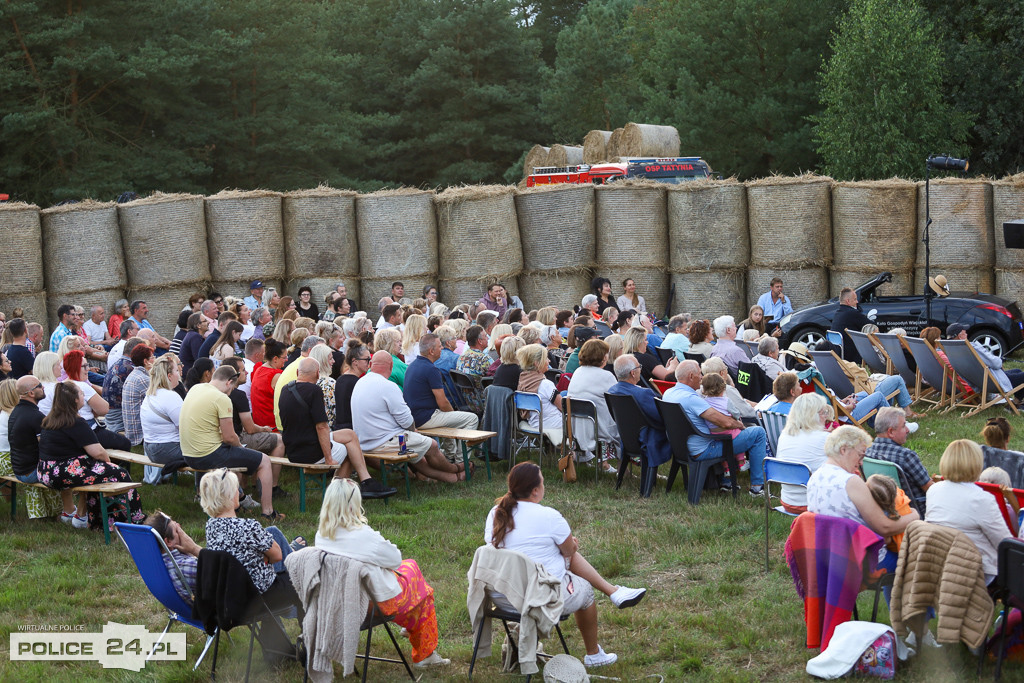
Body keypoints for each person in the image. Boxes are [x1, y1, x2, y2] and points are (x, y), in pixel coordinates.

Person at [485, 462, 646, 668]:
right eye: (543, 482)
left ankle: (614, 591)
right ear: (535, 490)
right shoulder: (549, 516)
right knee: (586, 590)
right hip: (537, 599)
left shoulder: (496, 514)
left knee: (558, 558)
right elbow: (570, 551)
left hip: (502, 598)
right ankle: (594, 653)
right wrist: (570, 548)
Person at [313, 478, 449, 667]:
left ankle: (412, 627)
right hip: (369, 605)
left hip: (337, 603)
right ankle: (425, 653)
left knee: (410, 571)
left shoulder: (322, 535)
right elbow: (394, 559)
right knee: (420, 587)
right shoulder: (363, 536)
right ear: (353, 505)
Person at [279, 358, 395, 498]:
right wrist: (328, 458)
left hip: (293, 450)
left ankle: (365, 480)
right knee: (348, 450)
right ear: (317, 373)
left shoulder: (286, 389)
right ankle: (336, 493)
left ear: (298, 372)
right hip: (310, 452)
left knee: (349, 435)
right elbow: (321, 427)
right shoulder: (314, 391)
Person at [806, 426, 918, 572]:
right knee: (919, 560)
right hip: (862, 561)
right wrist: (915, 515)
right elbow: (885, 527)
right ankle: (899, 594)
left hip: (830, 555)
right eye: (860, 455)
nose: (860, 462)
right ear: (844, 449)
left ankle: (892, 594)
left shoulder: (815, 477)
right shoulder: (850, 482)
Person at [36, 381, 144, 530]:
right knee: (120, 474)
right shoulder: (76, 421)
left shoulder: (50, 419)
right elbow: (98, 452)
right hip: (63, 472)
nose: (83, 396)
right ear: (75, 400)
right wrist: (109, 464)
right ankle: (135, 520)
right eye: (81, 393)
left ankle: (94, 520)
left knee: (98, 475)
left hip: (45, 472)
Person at [179, 366, 282, 520]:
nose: (232, 390)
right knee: (264, 460)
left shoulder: (196, 389)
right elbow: (229, 437)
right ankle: (268, 512)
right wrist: (242, 449)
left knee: (240, 456)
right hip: (208, 455)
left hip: (188, 454)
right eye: (233, 387)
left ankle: (238, 502)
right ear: (229, 382)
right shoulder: (222, 398)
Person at [350, 351, 469, 483]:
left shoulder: (360, 383)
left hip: (365, 442)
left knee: (418, 457)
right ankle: (455, 468)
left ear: (371, 364)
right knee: (432, 445)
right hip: (385, 442)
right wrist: (413, 430)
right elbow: (406, 419)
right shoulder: (387, 386)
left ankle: (452, 478)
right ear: (390, 366)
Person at [199, 469, 302, 611]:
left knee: (272, 532)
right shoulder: (248, 527)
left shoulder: (210, 527)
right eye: (236, 488)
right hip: (258, 597)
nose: (238, 492)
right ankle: (306, 629)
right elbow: (277, 557)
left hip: (231, 597)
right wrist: (265, 557)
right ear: (229, 495)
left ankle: (270, 631)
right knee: (300, 576)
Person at [664, 360, 767, 495]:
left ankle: (726, 481)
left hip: (680, 448)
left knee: (723, 434)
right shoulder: (691, 399)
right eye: (699, 374)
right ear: (690, 376)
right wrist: (740, 425)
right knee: (758, 432)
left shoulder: (668, 393)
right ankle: (757, 487)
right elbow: (725, 423)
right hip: (704, 449)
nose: (702, 377)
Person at [925, 439, 1009, 583]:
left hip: (938, 564)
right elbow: (1003, 543)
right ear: (977, 464)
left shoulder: (934, 490)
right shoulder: (982, 499)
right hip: (974, 571)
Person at [403, 334, 479, 462]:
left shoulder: (412, 366)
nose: (442, 348)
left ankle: (450, 455)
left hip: (414, 417)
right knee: (472, 418)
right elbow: (442, 402)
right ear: (431, 351)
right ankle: (462, 461)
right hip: (425, 417)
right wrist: (454, 416)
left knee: (448, 416)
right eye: (440, 346)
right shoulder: (431, 369)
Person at [4, 376, 63, 520]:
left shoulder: (15, 413)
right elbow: (48, 447)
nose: (43, 388)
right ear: (31, 393)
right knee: (71, 469)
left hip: (19, 469)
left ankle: (52, 513)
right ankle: (71, 513)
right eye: (40, 385)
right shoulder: (35, 416)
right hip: (31, 472)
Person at [775, 393, 832, 513]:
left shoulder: (785, 435)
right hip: (815, 503)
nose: (826, 417)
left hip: (788, 501)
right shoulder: (824, 438)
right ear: (811, 415)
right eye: (823, 412)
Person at [566, 339, 618, 463]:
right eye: (606, 353)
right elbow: (617, 400)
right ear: (602, 357)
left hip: (576, 428)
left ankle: (604, 465)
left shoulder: (578, 372)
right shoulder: (606, 376)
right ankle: (625, 471)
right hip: (598, 429)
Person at [946, 322, 1024, 402]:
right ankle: (1014, 405)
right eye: (965, 333)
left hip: (978, 382)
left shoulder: (951, 351)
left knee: (1017, 371)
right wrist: (998, 360)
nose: (967, 334)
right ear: (960, 336)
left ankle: (1016, 402)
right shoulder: (971, 347)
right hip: (992, 383)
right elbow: (996, 363)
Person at [139, 355, 187, 471]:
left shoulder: (151, 394)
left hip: (150, 449)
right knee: (209, 451)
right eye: (176, 370)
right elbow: (185, 428)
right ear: (169, 376)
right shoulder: (170, 396)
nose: (179, 374)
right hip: (167, 450)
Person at [516, 344, 563, 446]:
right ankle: (585, 455)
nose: (549, 361)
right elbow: (563, 407)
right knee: (582, 420)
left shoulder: (523, 380)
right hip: (551, 423)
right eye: (546, 358)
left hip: (533, 422)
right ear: (537, 363)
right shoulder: (545, 384)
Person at [830, 287, 873, 364]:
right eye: (855, 299)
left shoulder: (837, 313)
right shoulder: (852, 313)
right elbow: (872, 326)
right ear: (848, 301)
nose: (857, 302)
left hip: (839, 353)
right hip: (852, 355)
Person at [251, 339, 287, 430]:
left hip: (259, 423)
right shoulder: (276, 376)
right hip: (272, 426)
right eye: (284, 357)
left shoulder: (259, 369)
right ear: (275, 358)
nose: (287, 360)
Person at [335, 342, 369, 429]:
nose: (369, 363)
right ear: (355, 362)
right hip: (353, 429)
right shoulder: (357, 383)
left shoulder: (340, 379)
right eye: (366, 359)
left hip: (340, 428)